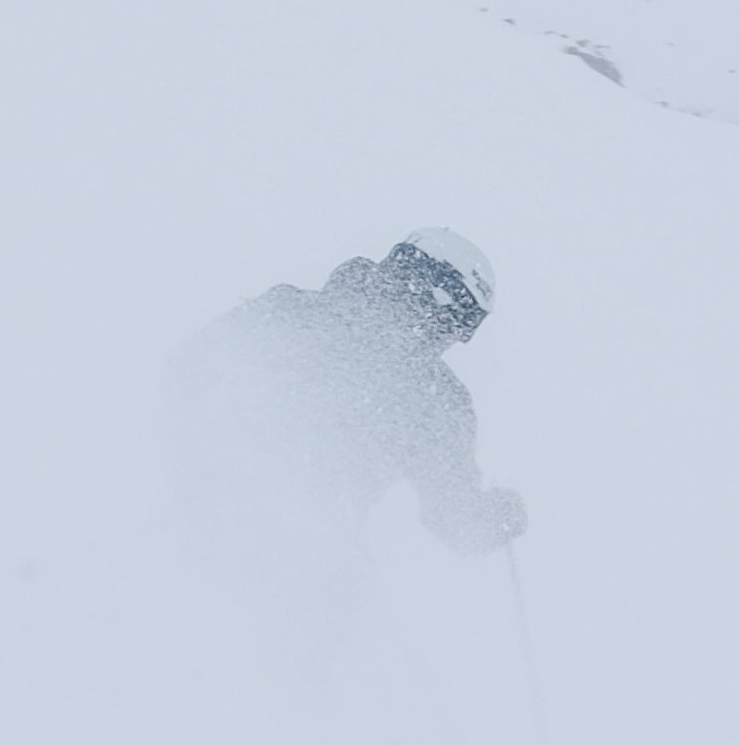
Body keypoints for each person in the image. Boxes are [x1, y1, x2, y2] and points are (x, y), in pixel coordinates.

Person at [174, 229, 527, 558]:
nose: (454, 336)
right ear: (437, 296)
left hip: (226, 527)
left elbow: (191, 368)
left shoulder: (291, 309)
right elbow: (456, 519)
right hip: (303, 554)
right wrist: (488, 519)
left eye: (467, 326)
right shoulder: (435, 398)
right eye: (460, 319)